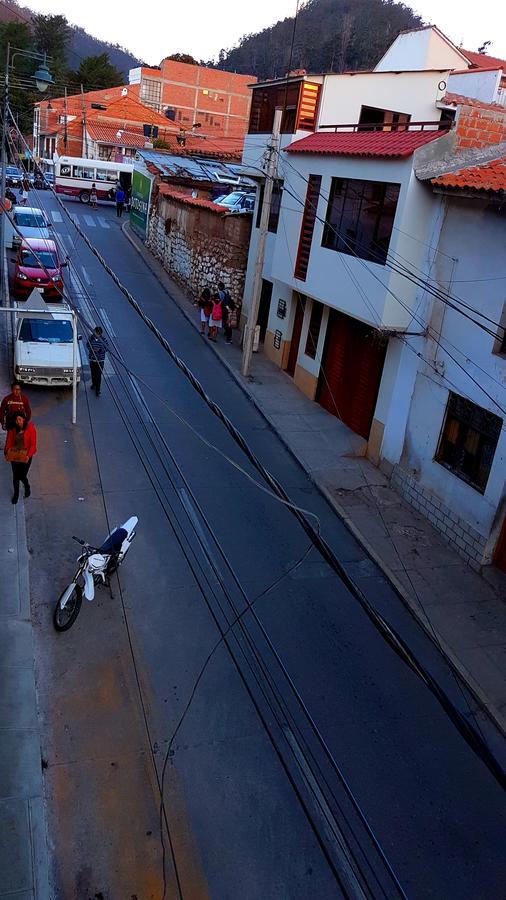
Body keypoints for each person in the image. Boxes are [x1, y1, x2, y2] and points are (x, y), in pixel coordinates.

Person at [4, 414, 36, 504]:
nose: (17, 421)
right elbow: (9, 441)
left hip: (26, 456)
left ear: (24, 420)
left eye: (19, 419)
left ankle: (27, 486)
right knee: (15, 476)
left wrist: (28, 456)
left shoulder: (30, 428)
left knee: (22, 475)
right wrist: (7, 452)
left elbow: (33, 445)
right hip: (15, 455)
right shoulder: (13, 429)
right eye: (16, 420)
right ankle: (16, 494)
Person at [87, 326, 109, 397]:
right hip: (92, 359)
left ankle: (98, 390)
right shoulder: (91, 338)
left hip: (100, 360)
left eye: (97, 333)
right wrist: (91, 349)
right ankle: (94, 384)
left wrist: (99, 350)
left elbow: (107, 348)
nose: (95, 334)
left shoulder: (104, 339)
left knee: (98, 375)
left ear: (100, 333)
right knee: (93, 373)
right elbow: (87, 345)